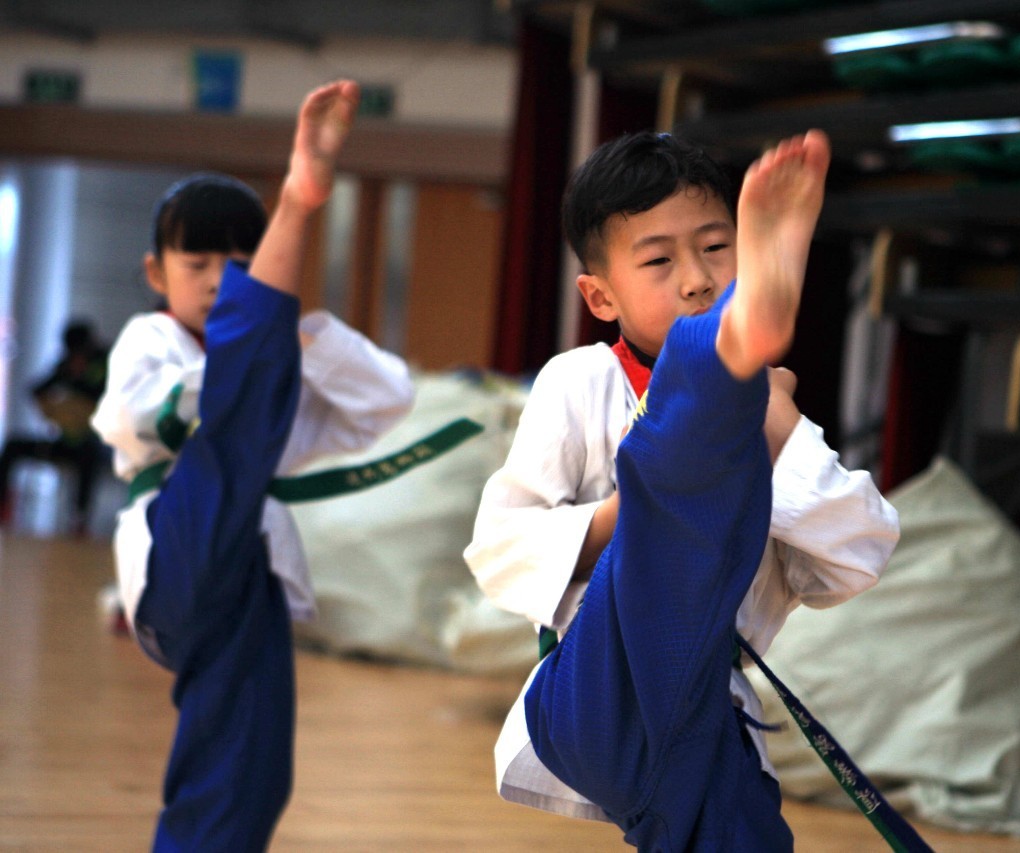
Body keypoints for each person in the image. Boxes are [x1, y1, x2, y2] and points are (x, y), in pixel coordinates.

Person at [466, 129, 900, 848]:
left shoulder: (770, 409)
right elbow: (499, 548)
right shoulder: (577, 381)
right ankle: (726, 349)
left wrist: (778, 428)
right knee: (679, 455)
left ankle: (727, 359)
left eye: (718, 249)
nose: (695, 277)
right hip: (599, 687)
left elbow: (859, 552)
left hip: (713, 706)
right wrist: (627, 511)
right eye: (660, 259)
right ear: (600, 296)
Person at [90, 81, 414, 851]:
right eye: (196, 261)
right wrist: (254, 339)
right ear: (155, 270)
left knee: (250, 770)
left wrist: (301, 331)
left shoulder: (270, 368)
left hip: (250, 586)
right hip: (184, 549)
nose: (217, 278)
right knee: (236, 428)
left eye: (241, 263)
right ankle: (301, 199)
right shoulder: (150, 342)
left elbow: (387, 400)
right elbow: (150, 417)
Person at [0, 320, 109, 533]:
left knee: (89, 453)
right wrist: (54, 408)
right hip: (66, 445)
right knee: (14, 445)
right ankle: (3, 507)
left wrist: (80, 390)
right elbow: (37, 389)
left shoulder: (106, 364)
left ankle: (80, 519)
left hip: (100, 446)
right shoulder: (66, 366)